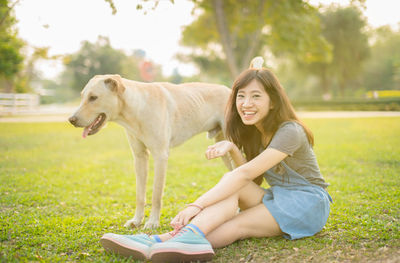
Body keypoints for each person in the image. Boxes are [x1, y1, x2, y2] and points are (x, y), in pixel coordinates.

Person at [100, 58, 332, 263]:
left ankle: (162, 241)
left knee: (236, 225)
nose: (246, 103)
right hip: (279, 198)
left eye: (256, 96)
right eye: (241, 96)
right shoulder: (255, 132)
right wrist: (232, 148)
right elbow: (250, 181)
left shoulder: (290, 131)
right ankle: (165, 242)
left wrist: (196, 205)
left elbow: (242, 176)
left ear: (273, 102)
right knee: (231, 187)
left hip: (307, 204)